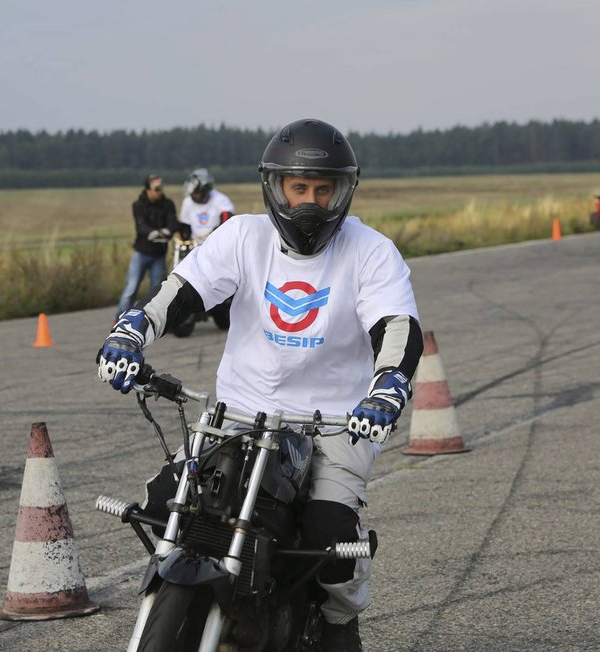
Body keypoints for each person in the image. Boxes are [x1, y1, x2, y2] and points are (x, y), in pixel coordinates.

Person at [98, 118, 424, 651]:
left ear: (344, 190)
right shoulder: (244, 236)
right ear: (276, 187)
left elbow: (397, 327)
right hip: (236, 415)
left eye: (324, 189)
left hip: (340, 422)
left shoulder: (371, 251)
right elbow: (184, 290)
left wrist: (387, 388)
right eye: (299, 188)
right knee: (164, 503)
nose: (310, 203)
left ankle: (341, 625)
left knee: (328, 540)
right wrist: (133, 330)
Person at [115, 174, 179, 317]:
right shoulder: (139, 205)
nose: (160, 192)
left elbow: (173, 222)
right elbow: (141, 225)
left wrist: (166, 231)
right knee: (131, 289)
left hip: (159, 255)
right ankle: (120, 317)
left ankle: (151, 320)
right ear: (148, 190)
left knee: (156, 291)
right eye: (156, 189)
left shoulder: (168, 204)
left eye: (161, 188)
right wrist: (153, 233)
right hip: (141, 253)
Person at [178, 168, 235, 245]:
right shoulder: (188, 202)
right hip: (194, 244)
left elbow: (227, 221)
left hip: (215, 243)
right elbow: (185, 225)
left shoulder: (221, 200)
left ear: (204, 190)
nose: (194, 196)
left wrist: (216, 232)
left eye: (197, 193)